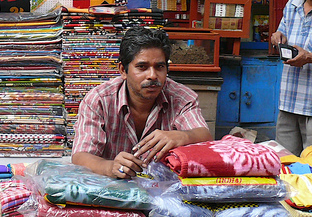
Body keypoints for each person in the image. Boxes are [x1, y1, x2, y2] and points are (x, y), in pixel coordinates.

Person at [71, 26, 212, 179]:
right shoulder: (99, 100)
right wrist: (110, 167)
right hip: (111, 190)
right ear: (123, 70)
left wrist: (183, 136)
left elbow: (204, 136)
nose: (152, 75)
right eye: (142, 67)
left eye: (159, 67)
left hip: (163, 190)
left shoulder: (182, 98)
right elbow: (81, 156)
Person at [270, 0, 312, 154]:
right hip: (289, 101)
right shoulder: (292, 5)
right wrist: (277, 36)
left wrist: (309, 57)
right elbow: (282, 31)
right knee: (285, 166)